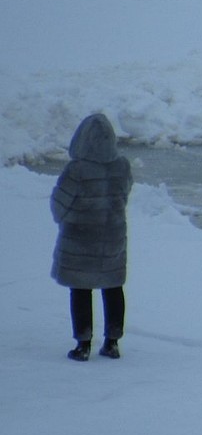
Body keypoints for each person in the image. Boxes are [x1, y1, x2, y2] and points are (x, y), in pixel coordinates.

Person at [51, 113, 133, 361]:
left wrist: (68, 221)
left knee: (81, 289)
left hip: (80, 240)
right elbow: (124, 195)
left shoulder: (76, 170)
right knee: (113, 286)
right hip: (112, 239)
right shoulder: (122, 166)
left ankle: (83, 344)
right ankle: (112, 342)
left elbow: (59, 204)